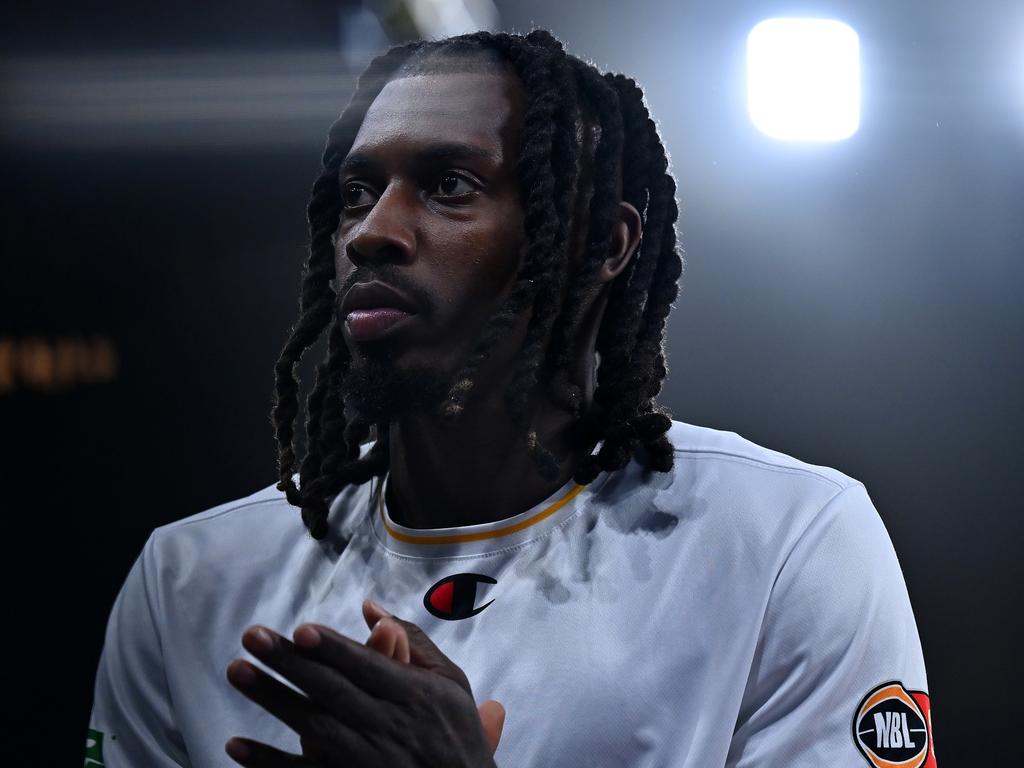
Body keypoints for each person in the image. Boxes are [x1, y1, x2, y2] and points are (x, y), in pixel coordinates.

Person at [87, 29, 935, 768]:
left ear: (600, 244)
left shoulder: (790, 538)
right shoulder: (188, 580)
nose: (372, 231)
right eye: (357, 192)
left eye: (450, 185)